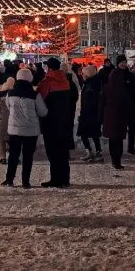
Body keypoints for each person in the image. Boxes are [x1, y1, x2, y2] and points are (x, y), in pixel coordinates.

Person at [36, 57, 73, 187]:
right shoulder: (65, 80)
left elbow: (39, 97)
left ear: (50, 68)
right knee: (63, 151)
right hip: (65, 120)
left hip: (51, 122)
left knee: (52, 151)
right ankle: (65, 178)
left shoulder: (47, 82)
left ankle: (56, 179)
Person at [101, 56, 135, 169]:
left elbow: (134, 87)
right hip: (114, 112)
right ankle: (115, 160)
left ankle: (118, 159)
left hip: (123, 111)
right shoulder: (114, 77)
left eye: (124, 62)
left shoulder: (127, 75)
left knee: (119, 137)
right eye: (122, 62)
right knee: (115, 138)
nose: (123, 64)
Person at [77, 64, 104, 162]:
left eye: (83, 74)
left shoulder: (89, 86)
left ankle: (90, 151)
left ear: (87, 75)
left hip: (88, 114)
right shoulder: (94, 84)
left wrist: (82, 114)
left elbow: (88, 102)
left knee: (84, 133)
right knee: (94, 134)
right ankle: (98, 151)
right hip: (94, 114)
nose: (82, 75)